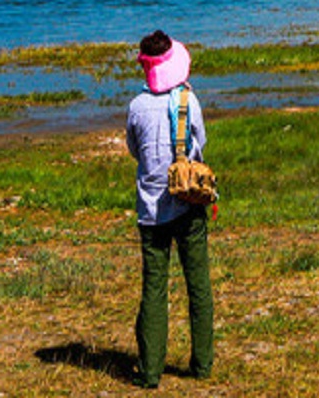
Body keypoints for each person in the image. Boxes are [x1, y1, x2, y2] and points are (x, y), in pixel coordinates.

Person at [126, 30, 215, 388]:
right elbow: (201, 142)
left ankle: (149, 373)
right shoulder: (188, 102)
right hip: (188, 203)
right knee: (198, 285)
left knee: (153, 289)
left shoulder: (135, 107)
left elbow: (135, 149)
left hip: (150, 209)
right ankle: (202, 365)